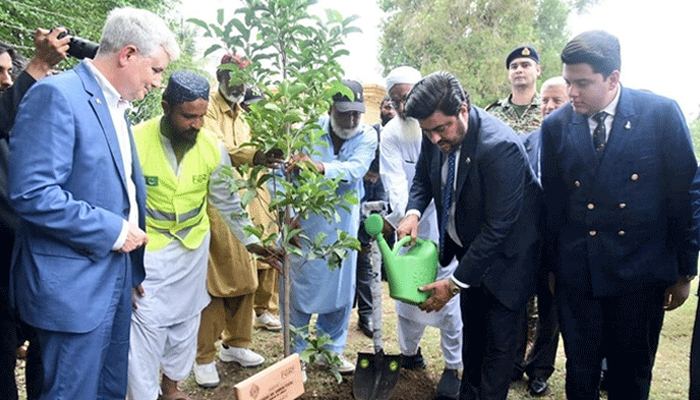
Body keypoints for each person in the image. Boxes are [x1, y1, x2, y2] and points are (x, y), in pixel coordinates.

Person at [8, 7, 178, 399]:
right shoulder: (57, 95)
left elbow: (120, 191)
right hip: (72, 291)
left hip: (113, 279)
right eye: (155, 70)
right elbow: (33, 193)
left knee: (107, 389)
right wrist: (114, 231)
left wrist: (128, 270)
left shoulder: (115, 106)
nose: (157, 83)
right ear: (128, 54)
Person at [540, 30, 698, 400]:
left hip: (639, 275)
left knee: (631, 376)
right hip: (580, 275)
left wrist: (684, 270)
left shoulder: (660, 114)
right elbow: (553, 206)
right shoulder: (556, 126)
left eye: (582, 83)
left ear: (613, 78)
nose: (572, 93)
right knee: (580, 373)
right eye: (567, 82)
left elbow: (683, 197)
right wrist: (551, 269)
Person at [127, 70, 279, 400]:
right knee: (146, 329)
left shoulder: (210, 146)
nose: (196, 124)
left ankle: (172, 388)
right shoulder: (134, 140)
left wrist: (254, 243)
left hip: (192, 250)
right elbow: (119, 202)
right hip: (147, 250)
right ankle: (143, 395)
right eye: (188, 117)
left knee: (184, 324)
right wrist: (125, 263)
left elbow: (227, 201)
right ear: (166, 107)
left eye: (200, 116)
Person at [397, 71, 540, 400]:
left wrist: (452, 284)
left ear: (463, 109)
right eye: (427, 131)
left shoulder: (499, 147)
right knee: (472, 347)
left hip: (508, 266)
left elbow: (498, 229)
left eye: (440, 129)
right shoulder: (435, 131)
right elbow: (422, 175)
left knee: (495, 359)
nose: (434, 138)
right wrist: (412, 213)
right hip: (471, 257)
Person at [194, 54, 282, 388]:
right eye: (234, 77)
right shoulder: (209, 107)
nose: (240, 85)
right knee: (216, 282)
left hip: (244, 203)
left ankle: (237, 344)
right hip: (215, 204)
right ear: (220, 75)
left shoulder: (243, 113)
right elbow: (217, 147)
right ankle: (204, 356)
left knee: (247, 276)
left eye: (245, 78)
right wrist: (256, 154)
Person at [379, 66, 463, 399]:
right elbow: (396, 182)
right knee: (406, 296)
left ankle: (453, 366)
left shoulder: (437, 126)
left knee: (448, 297)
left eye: (407, 96)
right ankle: (409, 353)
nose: (402, 105)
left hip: (447, 228)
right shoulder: (391, 134)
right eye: (396, 100)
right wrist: (408, 218)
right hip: (409, 228)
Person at [283, 79, 377, 374]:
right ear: (330, 108)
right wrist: (289, 214)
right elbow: (284, 175)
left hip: (343, 224)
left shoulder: (367, 136)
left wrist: (321, 166)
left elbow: (356, 169)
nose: (350, 120)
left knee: (340, 291)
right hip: (305, 223)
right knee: (299, 289)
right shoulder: (307, 131)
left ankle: (330, 351)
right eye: (344, 113)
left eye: (355, 114)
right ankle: (296, 355)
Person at [0, 29, 68, 400]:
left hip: (28, 261)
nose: (6, 80)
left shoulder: (13, 121)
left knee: (45, 347)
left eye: (11, 71)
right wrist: (39, 65)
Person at [514, 76, 568, 396]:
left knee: (551, 311)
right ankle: (513, 363)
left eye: (555, 101)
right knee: (518, 305)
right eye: (544, 101)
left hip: (558, 246)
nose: (547, 106)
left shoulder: (577, 144)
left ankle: (539, 370)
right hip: (525, 243)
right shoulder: (525, 141)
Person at [355, 94, 395, 339]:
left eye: (394, 106)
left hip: (386, 191)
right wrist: (368, 175)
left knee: (383, 250)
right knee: (363, 252)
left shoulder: (406, 133)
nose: (389, 109)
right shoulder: (369, 133)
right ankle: (366, 313)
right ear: (379, 109)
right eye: (386, 105)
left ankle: (378, 309)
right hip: (363, 188)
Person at [486, 45, 542, 134]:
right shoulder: (493, 113)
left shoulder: (548, 109)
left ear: (538, 70)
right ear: (509, 74)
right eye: (514, 67)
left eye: (525, 65)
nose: (519, 70)